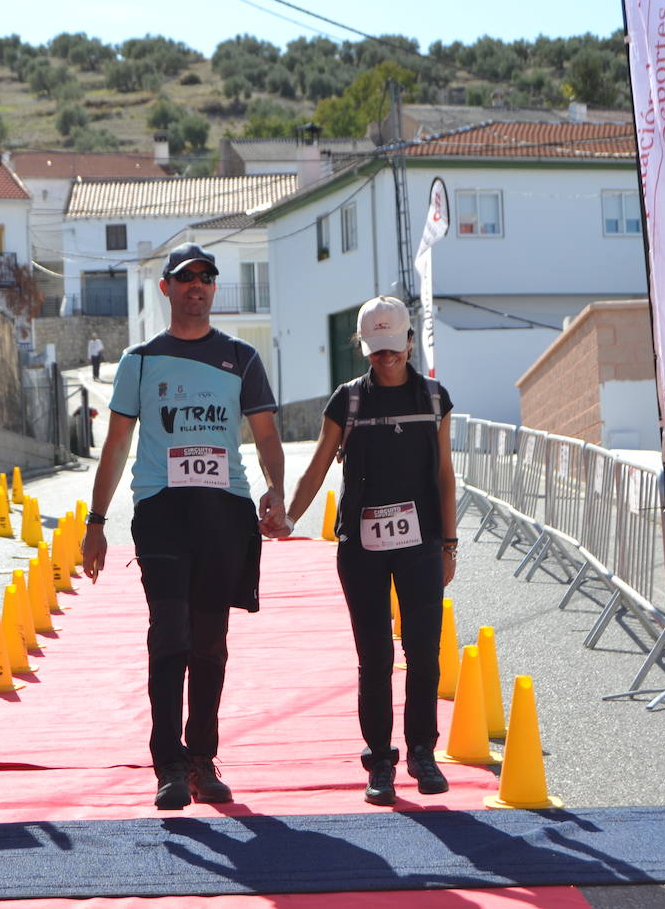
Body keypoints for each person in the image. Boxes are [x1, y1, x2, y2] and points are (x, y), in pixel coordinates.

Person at [82, 242, 287, 810]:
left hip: (224, 512)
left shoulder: (241, 357)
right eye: (186, 277)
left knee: (211, 643)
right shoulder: (139, 360)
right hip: (162, 512)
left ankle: (202, 758)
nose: (198, 285)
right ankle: (168, 765)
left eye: (207, 277)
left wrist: (275, 491)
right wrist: (97, 523)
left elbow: (267, 436)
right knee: (169, 636)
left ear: (214, 288)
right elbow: (117, 444)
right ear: (166, 288)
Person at [275, 296, 458, 805]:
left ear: (409, 343)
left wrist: (449, 543)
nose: (386, 359)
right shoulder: (348, 401)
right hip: (361, 547)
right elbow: (316, 466)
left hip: (421, 543)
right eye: (376, 351)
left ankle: (423, 750)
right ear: (364, 349)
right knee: (373, 655)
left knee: (423, 651)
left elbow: (444, 475)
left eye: (393, 349)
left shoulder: (434, 400)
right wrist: (290, 515)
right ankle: (380, 759)